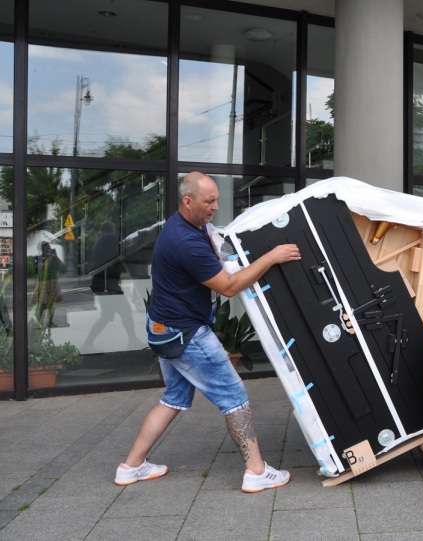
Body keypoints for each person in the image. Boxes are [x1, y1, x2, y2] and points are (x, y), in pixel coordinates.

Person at [115, 171, 302, 493]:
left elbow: (219, 242)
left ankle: (130, 467)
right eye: (209, 201)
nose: (215, 206)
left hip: (163, 327)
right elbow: (229, 287)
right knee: (235, 400)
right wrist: (271, 257)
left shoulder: (185, 225)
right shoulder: (185, 241)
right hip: (187, 335)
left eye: (216, 199)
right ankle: (256, 471)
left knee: (173, 398)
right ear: (188, 201)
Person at [84, 220, 138, 351]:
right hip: (107, 283)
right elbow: (125, 251)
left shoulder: (101, 240)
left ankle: (133, 340)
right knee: (107, 315)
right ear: (111, 229)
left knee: (125, 311)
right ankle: (87, 344)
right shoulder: (110, 239)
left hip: (107, 282)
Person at [32, 242, 62, 328]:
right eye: (47, 248)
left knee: (52, 303)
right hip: (43, 282)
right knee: (42, 303)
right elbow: (40, 268)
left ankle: (50, 322)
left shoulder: (53, 256)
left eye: (49, 248)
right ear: (42, 249)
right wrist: (49, 258)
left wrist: (55, 255)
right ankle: (38, 322)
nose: (49, 250)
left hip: (52, 281)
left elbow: (60, 265)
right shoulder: (39, 257)